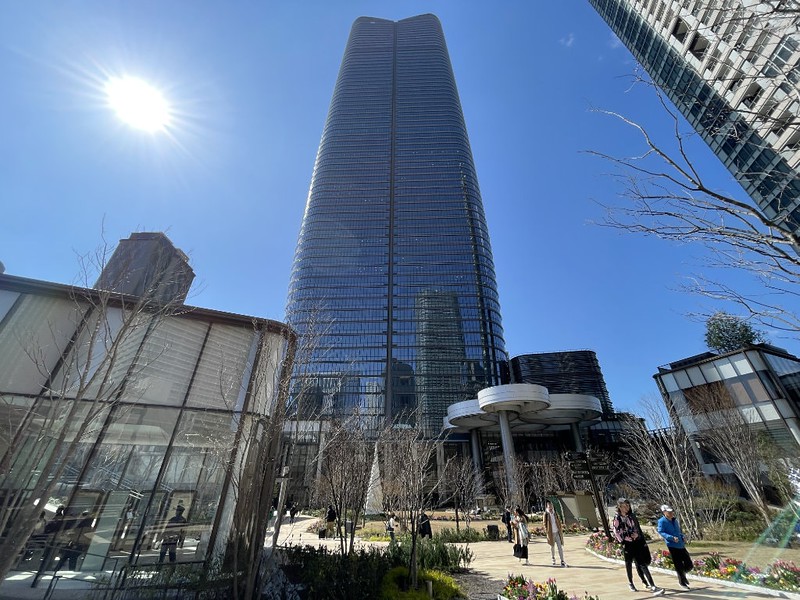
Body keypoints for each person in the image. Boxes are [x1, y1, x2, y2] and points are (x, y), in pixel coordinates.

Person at [612, 498, 663, 595]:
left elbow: (635, 527)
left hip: (635, 542)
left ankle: (653, 585)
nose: (627, 508)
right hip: (626, 544)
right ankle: (630, 583)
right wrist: (622, 541)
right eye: (624, 506)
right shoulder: (617, 518)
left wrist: (636, 535)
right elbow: (616, 531)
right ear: (620, 507)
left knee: (642, 564)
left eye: (628, 505)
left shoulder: (631, 516)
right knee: (629, 564)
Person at [657, 504, 693, 590]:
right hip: (672, 545)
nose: (671, 513)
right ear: (664, 512)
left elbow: (678, 532)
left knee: (689, 564)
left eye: (671, 511)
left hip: (681, 544)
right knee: (679, 565)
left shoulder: (675, 520)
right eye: (669, 512)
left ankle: (682, 575)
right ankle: (682, 582)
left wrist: (682, 536)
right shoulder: (661, 521)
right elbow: (661, 532)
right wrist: (671, 538)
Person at [543, 501, 567, 568]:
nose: (550, 507)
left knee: (560, 547)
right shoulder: (546, 514)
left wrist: (560, 528)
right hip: (551, 533)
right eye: (549, 506)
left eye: (551, 506)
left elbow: (558, 521)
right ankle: (553, 558)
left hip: (557, 532)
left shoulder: (555, 513)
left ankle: (562, 560)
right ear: (547, 507)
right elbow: (544, 523)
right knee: (552, 547)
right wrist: (547, 531)